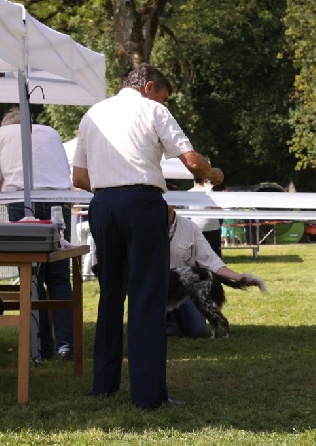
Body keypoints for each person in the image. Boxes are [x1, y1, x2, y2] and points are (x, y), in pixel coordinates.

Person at [72, 63, 224, 409]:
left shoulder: (93, 113)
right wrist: (213, 171)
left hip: (103, 206)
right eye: (164, 96)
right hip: (141, 206)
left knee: (110, 295)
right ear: (149, 87)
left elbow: (78, 177)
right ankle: (148, 394)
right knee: (146, 298)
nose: (165, 103)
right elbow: (192, 162)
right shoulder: (153, 110)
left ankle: (104, 385)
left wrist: (110, 185)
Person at [0, 108, 75, 361]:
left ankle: (42, 346)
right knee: (60, 278)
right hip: (59, 200)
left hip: (22, 200)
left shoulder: (3, 134)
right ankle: (67, 345)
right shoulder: (51, 133)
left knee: (32, 275)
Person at [166, 205, 260, 336]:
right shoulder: (146, 226)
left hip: (181, 291)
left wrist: (238, 277)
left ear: (174, 204)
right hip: (154, 290)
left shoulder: (189, 227)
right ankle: (168, 324)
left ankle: (173, 323)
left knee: (197, 330)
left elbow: (210, 260)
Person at [188, 177, 222, 258]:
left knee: (198, 252)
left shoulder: (189, 192)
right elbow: (215, 207)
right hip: (211, 225)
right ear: (204, 179)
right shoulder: (208, 190)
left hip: (196, 225)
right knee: (214, 251)